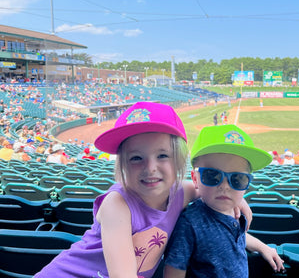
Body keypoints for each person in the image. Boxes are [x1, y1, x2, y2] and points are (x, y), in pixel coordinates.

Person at [35, 102, 251, 278]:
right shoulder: (116, 205)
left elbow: (208, 190)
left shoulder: (181, 192)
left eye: (162, 155)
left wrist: (238, 200)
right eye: (136, 158)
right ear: (123, 165)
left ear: (178, 159)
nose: (150, 168)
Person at [164, 124, 285, 277]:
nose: (225, 186)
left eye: (238, 179)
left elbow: (235, 237)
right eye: (212, 176)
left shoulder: (235, 212)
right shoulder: (189, 224)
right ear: (195, 179)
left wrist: (263, 247)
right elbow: (174, 271)